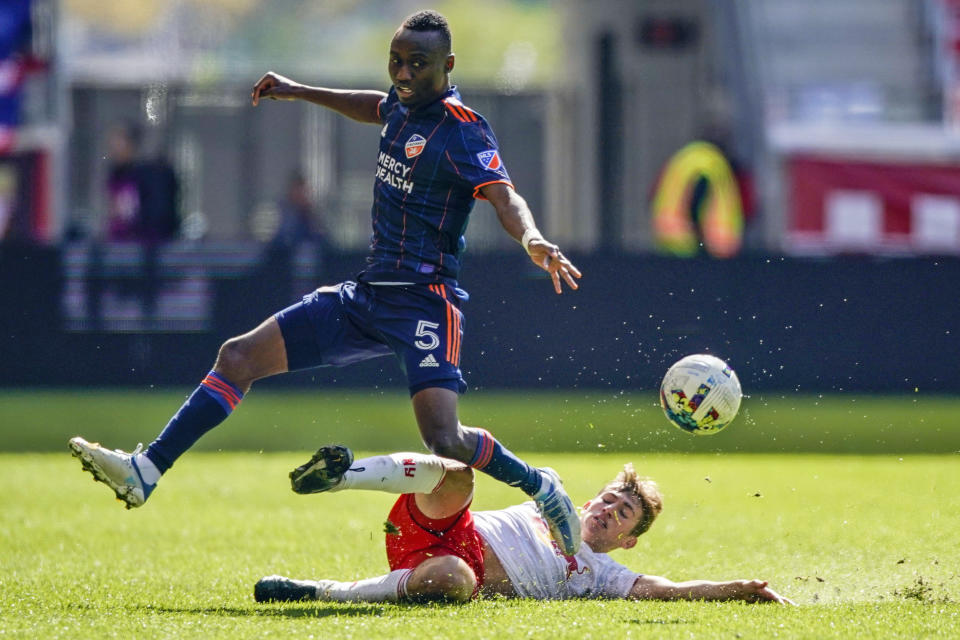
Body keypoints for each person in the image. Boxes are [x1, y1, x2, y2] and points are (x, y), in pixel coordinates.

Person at [68, 10, 584, 555]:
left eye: (418, 64)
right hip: (366, 296)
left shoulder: (462, 129)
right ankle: (145, 469)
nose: (404, 74)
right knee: (238, 356)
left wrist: (531, 239)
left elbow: (504, 195)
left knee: (444, 440)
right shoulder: (400, 106)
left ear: (448, 66)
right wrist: (297, 90)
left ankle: (540, 486)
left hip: (424, 304)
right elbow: (373, 106)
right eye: (397, 62)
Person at [255, 445, 794, 604]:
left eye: (621, 514)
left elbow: (668, 590)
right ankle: (341, 475)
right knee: (461, 474)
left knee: (455, 582)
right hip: (446, 527)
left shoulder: (601, 573)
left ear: (627, 539)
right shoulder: (551, 492)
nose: (606, 510)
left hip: (447, 567)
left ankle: (318, 591)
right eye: (607, 499)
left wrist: (736, 590)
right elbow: (502, 471)